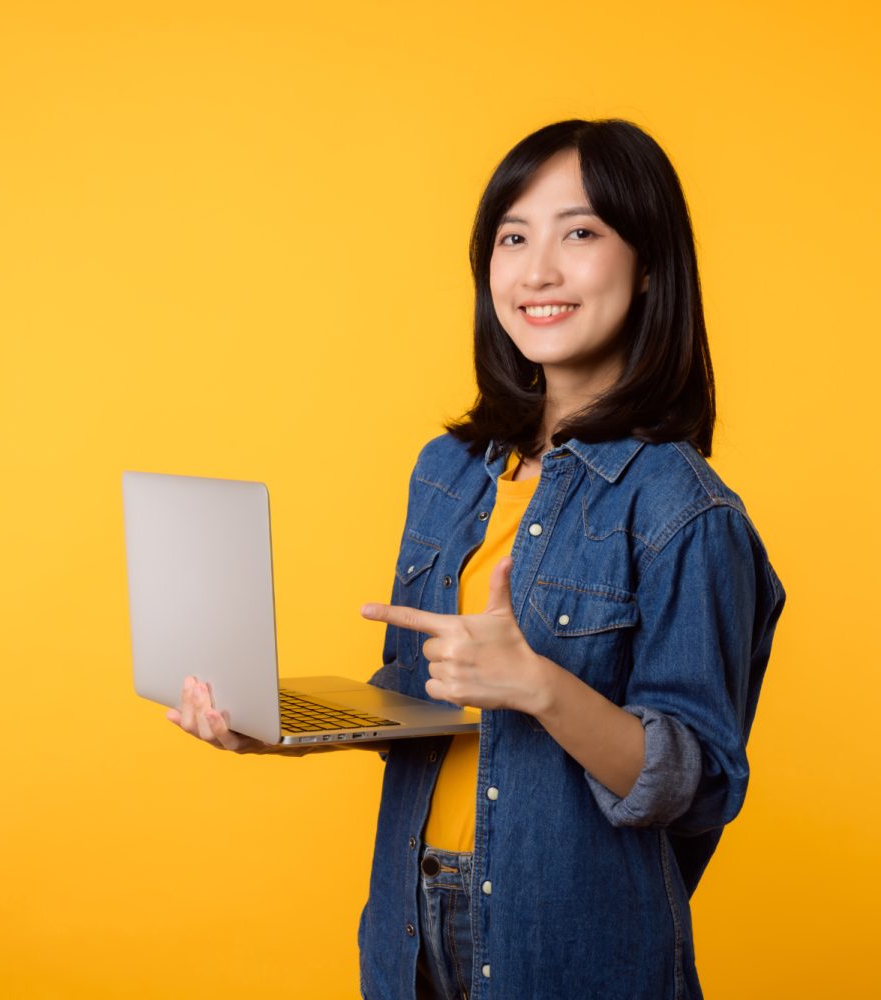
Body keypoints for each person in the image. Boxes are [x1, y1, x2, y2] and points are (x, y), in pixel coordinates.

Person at [167, 118, 786, 1000]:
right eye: (513, 238)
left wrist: (540, 686)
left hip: (570, 950)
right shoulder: (448, 471)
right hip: (409, 930)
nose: (537, 272)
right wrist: (276, 727)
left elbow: (701, 784)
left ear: (649, 264)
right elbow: (423, 704)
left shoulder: (684, 510)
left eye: (580, 233)